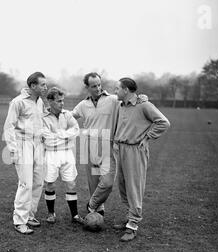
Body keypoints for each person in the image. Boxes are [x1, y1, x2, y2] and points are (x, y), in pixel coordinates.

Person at [71, 72, 147, 219]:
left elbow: (129, 101)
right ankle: (97, 211)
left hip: (107, 146)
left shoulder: (113, 100)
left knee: (106, 182)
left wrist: (141, 98)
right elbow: (69, 116)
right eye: (94, 86)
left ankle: (91, 204)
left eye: (99, 84)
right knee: (93, 181)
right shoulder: (83, 105)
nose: (98, 88)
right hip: (88, 146)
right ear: (87, 87)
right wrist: (52, 112)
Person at [113, 77, 170, 242]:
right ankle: (129, 217)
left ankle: (133, 226)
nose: (115, 91)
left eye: (117, 88)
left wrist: (148, 138)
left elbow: (163, 123)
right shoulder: (121, 105)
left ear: (126, 90)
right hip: (121, 149)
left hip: (135, 150)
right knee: (123, 186)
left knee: (134, 187)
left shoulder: (144, 105)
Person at [3, 72, 48, 235]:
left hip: (38, 144)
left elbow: (40, 123)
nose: (45, 87)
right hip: (23, 145)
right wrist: (14, 151)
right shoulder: (17, 102)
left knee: (38, 182)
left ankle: (29, 215)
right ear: (33, 86)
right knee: (26, 184)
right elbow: (8, 127)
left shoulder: (40, 101)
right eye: (42, 84)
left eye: (45, 84)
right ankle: (19, 221)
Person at [41, 87, 85, 225]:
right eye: (59, 101)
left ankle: (75, 215)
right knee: (50, 184)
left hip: (67, 154)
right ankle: (51, 213)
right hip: (51, 154)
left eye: (63, 100)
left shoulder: (67, 115)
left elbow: (76, 130)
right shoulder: (43, 118)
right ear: (50, 101)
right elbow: (48, 140)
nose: (62, 103)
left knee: (71, 184)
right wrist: (66, 136)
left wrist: (58, 136)